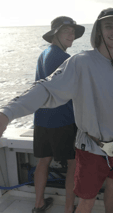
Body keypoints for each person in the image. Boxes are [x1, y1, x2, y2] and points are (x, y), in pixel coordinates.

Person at [0, 8, 113, 213]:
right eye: (109, 26)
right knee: (86, 199)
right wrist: (7, 112)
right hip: (91, 147)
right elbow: (46, 87)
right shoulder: (80, 61)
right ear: (98, 30)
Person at [32, 16, 85, 213]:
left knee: (43, 161)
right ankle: (69, 208)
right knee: (73, 163)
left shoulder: (44, 54)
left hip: (41, 119)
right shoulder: (65, 59)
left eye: (73, 32)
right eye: (66, 31)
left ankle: (38, 204)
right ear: (56, 34)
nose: (71, 36)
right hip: (62, 120)